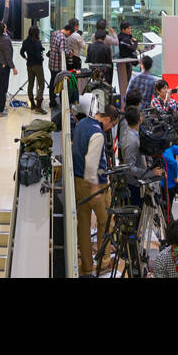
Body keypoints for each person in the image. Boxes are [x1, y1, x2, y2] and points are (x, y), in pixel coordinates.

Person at [73, 103, 120, 275]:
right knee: (106, 223)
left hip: (77, 182)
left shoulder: (82, 123)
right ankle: (103, 262)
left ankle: (86, 266)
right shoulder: (97, 134)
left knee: (83, 225)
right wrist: (94, 187)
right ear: (107, 119)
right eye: (111, 125)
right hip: (95, 185)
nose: (110, 129)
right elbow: (91, 163)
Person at [21, 25, 47, 113]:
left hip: (29, 65)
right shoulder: (37, 42)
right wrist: (41, 58)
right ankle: (38, 107)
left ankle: (32, 104)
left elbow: (21, 52)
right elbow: (38, 56)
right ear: (37, 33)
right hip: (37, 66)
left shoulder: (25, 42)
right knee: (41, 84)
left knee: (30, 84)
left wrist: (26, 58)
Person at [0, 21, 17, 115]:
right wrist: (13, 67)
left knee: (0, 85)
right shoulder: (5, 39)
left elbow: (1, 23)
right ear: (3, 29)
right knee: (3, 86)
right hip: (5, 65)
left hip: (0, 63)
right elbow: (8, 56)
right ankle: (1, 109)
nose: (5, 26)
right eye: (4, 26)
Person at [48, 20, 72, 107]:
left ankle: (52, 100)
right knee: (59, 84)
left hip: (51, 62)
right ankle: (58, 103)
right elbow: (62, 52)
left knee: (52, 82)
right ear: (69, 31)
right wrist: (69, 52)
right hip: (58, 64)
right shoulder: (63, 38)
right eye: (69, 34)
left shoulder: (55, 33)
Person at [115, 21, 138, 96]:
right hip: (127, 61)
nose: (130, 30)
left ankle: (124, 95)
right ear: (123, 30)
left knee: (123, 81)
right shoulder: (125, 39)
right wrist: (136, 42)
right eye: (128, 29)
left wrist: (130, 37)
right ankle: (125, 96)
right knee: (126, 80)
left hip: (121, 60)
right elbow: (133, 48)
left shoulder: (120, 37)